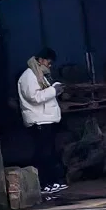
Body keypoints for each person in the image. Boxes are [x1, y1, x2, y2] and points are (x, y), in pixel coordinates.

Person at [18, 47, 67, 195]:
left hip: (46, 119)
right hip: (38, 120)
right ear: (40, 60)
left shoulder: (39, 74)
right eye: (49, 62)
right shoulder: (29, 76)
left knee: (49, 152)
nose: (50, 66)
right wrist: (54, 90)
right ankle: (44, 184)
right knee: (43, 154)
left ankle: (51, 182)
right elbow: (35, 97)